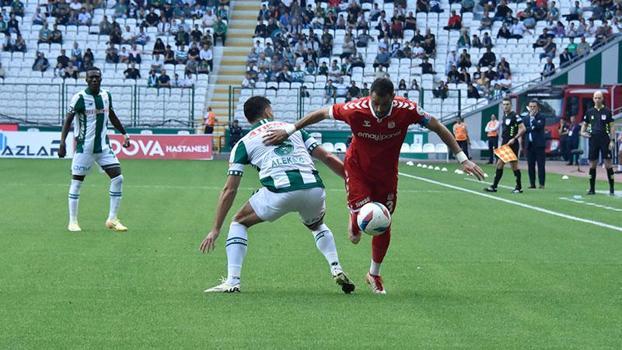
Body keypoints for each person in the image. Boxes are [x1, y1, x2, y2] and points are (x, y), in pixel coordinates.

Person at [263, 78, 484, 294]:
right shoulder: (355, 109)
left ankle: (373, 274)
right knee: (356, 234)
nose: (378, 108)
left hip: (387, 174)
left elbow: (437, 126)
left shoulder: (407, 110)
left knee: (384, 223)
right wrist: (289, 130)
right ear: (370, 96)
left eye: (384, 104)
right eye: (375, 102)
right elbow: (321, 113)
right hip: (357, 169)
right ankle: (356, 214)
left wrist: (462, 157)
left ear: (392, 98)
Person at [199, 96, 355, 294]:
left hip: (279, 193)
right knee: (316, 225)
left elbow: (230, 189)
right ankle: (336, 267)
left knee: (238, 222)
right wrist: (351, 180)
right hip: (314, 189)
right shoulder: (294, 128)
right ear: (268, 112)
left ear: (248, 120)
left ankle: (232, 281)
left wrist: (215, 229)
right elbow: (327, 156)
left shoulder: (243, 144)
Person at [58, 67, 131, 232]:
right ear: (86, 79)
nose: (94, 80)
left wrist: (124, 134)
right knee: (77, 183)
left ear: (101, 78)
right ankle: (73, 221)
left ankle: (112, 219)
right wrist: (62, 142)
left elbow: (111, 115)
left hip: (104, 147)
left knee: (118, 178)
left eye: (97, 77)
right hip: (85, 148)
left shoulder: (106, 96)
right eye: (91, 77)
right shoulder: (79, 98)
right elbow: (67, 121)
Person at [485, 98, 526, 193]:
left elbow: (523, 128)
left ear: (511, 105)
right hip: (505, 143)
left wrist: (514, 138)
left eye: (507, 104)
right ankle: (494, 186)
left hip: (512, 144)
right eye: (504, 104)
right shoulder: (504, 116)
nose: (506, 106)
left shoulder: (515, 116)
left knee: (513, 166)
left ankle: (518, 187)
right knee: (500, 163)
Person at [581, 91, 615, 195]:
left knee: (608, 163)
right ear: (593, 99)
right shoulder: (589, 112)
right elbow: (584, 125)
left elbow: (612, 127)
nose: (597, 100)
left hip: (605, 139)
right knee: (592, 164)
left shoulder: (607, 111)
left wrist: (612, 140)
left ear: (602, 99)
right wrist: (583, 132)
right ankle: (592, 189)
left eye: (599, 98)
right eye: (596, 98)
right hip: (593, 139)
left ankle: (612, 188)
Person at [523, 100, 546, 189]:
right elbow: (525, 129)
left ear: (537, 108)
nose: (532, 108)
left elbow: (540, 126)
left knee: (541, 165)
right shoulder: (525, 118)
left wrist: (533, 120)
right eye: (531, 106)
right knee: (530, 165)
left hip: (539, 145)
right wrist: (532, 127)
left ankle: (541, 184)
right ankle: (532, 183)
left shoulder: (541, 117)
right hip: (529, 145)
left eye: (534, 106)